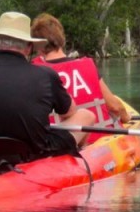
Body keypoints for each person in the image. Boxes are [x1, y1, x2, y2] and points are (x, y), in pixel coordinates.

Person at [0, 11, 96, 163]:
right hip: (33, 153)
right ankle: (79, 158)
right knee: (86, 115)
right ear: (29, 48)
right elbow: (69, 112)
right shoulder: (45, 75)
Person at [30, 13, 130, 145]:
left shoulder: (33, 71)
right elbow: (114, 107)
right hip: (100, 141)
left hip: (60, 143)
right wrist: (126, 118)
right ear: (62, 39)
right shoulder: (87, 65)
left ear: (38, 45)